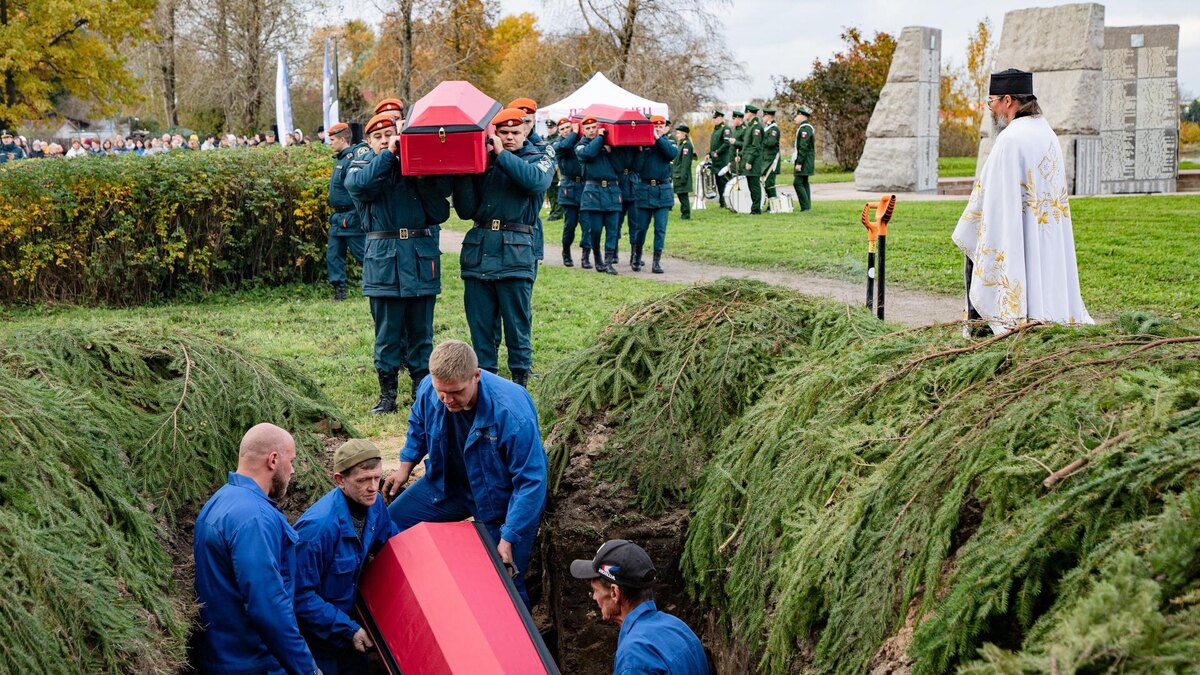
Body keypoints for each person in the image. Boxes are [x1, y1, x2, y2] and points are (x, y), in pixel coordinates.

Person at [383, 339, 548, 608]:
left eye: (456, 392)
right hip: (446, 487)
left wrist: (509, 537)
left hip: (502, 505)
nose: (448, 400)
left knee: (505, 577)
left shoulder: (511, 412)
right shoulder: (429, 388)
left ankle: (521, 643)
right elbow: (418, 424)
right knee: (390, 529)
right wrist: (405, 467)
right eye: (442, 392)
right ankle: (425, 603)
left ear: (476, 375)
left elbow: (531, 482)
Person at [952, 68, 1093, 338]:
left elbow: (990, 196)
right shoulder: (1047, 133)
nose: (991, 109)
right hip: (1044, 229)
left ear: (1008, 100)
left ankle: (987, 331)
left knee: (977, 249)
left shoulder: (1011, 139)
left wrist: (974, 222)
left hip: (1016, 227)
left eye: (991, 102)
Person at [346, 112, 451, 414]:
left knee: (421, 332)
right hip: (384, 259)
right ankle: (387, 395)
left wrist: (419, 174)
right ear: (368, 141)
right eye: (377, 137)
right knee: (388, 333)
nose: (384, 140)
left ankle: (422, 391)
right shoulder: (362, 164)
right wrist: (390, 155)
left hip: (419, 256)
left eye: (389, 134)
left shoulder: (415, 166)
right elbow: (361, 187)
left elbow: (439, 211)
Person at [193, 423, 318, 675]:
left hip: (220, 657)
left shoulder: (219, 501)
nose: (292, 470)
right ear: (273, 459)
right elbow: (268, 605)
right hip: (253, 662)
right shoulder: (255, 518)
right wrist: (307, 670)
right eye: (290, 461)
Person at [451, 108, 552, 386]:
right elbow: (467, 209)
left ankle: (520, 378)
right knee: (481, 323)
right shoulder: (485, 161)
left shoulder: (539, 157)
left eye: (515, 132)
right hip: (480, 250)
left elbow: (535, 182)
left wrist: (503, 156)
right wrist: (463, 175)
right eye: (503, 133)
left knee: (517, 321)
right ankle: (486, 378)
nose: (508, 137)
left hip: (516, 251)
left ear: (525, 132)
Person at [294, 440, 398, 675]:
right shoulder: (317, 529)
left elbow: (392, 545)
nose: (373, 487)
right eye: (363, 480)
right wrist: (347, 629)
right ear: (340, 480)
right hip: (318, 637)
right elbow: (298, 595)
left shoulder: (375, 504)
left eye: (376, 478)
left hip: (351, 624)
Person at [571, 539, 708, 675]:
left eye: (596, 590)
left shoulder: (634, 656)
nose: (595, 597)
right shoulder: (679, 628)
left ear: (615, 593)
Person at [629, 117, 679, 274]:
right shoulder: (643, 144)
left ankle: (656, 261)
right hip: (644, 189)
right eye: (655, 126)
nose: (658, 128)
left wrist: (658, 139)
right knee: (641, 228)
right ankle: (637, 257)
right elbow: (636, 167)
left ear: (665, 127)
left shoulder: (668, 142)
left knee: (660, 228)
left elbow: (671, 154)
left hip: (662, 190)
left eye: (661, 126)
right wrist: (641, 149)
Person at [325, 122, 367, 302]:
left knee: (363, 255)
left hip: (351, 217)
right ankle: (339, 291)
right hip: (337, 218)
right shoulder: (340, 158)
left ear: (343, 139)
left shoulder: (351, 158)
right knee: (333, 256)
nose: (330, 143)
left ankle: (376, 285)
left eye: (332, 139)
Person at [576, 116, 622, 274]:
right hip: (593, 193)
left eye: (594, 127)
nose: (591, 131)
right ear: (583, 130)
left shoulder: (609, 147)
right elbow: (588, 154)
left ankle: (608, 262)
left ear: (598, 127)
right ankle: (597, 258)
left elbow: (622, 166)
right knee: (594, 230)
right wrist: (601, 138)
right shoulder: (581, 146)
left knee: (612, 229)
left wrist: (611, 151)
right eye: (587, 128)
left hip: (612, 191)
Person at [554, 118, 585, 267]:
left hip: (584, 185)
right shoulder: (557, 144)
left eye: (568, 128)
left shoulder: (580, 140)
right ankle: (566, 252)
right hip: (569, 187)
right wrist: (574, 132)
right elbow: (565, 146)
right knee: (570, 224)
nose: (566, 131)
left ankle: (586, 256)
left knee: (587, 224)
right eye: (563, 129)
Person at [706, 112, 733, 208]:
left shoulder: (725, 129)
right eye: (713, 118)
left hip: (723, 160)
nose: (714, 120)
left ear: (721, 118)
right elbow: (714, 145)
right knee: (718, 183)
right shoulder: (716, 130)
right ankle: (722, 202)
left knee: (724, 182)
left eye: (716, 118)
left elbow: (726, 143)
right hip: (716, 161)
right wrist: (709, 153)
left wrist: (718, 152)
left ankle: (727, 202)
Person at [670, 123, 694, 228]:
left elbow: (685, 163)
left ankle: (686, 214)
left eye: (679, 133)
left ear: (684, 134)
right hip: (677, 173)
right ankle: (684, 213)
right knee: (680, 194)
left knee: (683, 195)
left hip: (681, 174)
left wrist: (683, 176)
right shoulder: (681, 144)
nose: (677, 134)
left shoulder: (687, 145)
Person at [742, 104, 764, 215]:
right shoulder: (750, 126)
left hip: (754, 161)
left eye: (746, 113)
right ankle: (754, 208)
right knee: (751, 186)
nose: (744, 115)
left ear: (750, 113)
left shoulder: (756, 127)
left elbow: (756, 146)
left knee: (754, 186)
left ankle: (756, 209)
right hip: (748, 160)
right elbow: (747, 146)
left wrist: (749, 161)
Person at [792, 107, 815, 212]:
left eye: (797, 116)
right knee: (804, 182)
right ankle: (807, 206)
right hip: (806, 160)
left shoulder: (805, 129)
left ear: (802, 116)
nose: (795, 118)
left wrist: (799, 162)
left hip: (804, 161)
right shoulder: (804, 128)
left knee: (797, 182)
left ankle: (805, 207)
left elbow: (803, 147)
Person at [760, 109, 782, 206]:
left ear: (769, 116)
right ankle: (771, 204)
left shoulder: (774, 129)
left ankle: (774, 205)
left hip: (772, 161)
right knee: (767, 183)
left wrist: (760, 140)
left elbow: (771, 142)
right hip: (766, 160)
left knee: (770, 184)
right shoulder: (767, 128)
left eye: (764, 116)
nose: (763, 118)